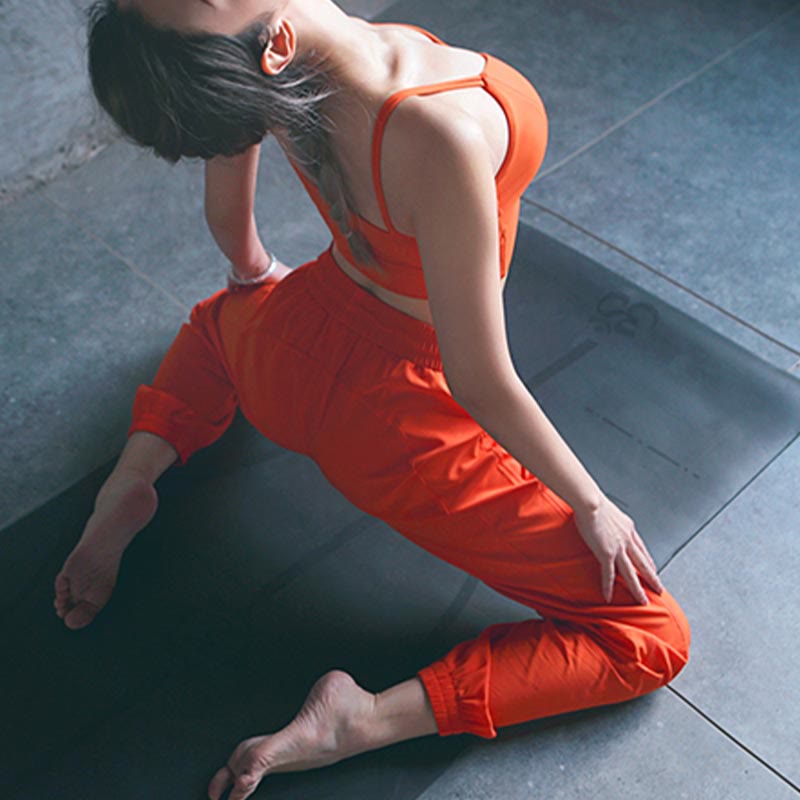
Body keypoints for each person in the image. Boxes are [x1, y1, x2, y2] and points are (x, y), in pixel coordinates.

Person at [53, 1, 691, 798]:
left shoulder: (252, 76)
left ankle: (132, 477)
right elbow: (480, 379)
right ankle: (364, 719)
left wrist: (257, 281)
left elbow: (227, 222)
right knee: (648, 636)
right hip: (395, 433)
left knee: (219, 327)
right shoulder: (438, 133)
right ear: (276, 42)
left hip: (286, 353)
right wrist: (592, 503)